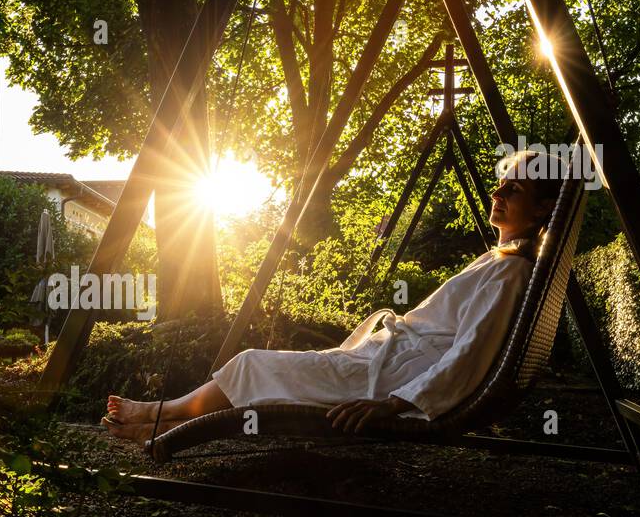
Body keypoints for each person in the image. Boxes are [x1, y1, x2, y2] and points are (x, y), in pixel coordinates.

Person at [103, 150, 565, 441]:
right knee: (269, 366)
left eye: (516, 189)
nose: (499, 191)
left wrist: (397, 403)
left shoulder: (507, 275)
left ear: (544, 208)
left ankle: (163, 414)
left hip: (385, 379)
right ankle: (168, 424)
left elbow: (468, 354)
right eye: (502, 182)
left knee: (251, 362)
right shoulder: (501, 261)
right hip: (384, 364)